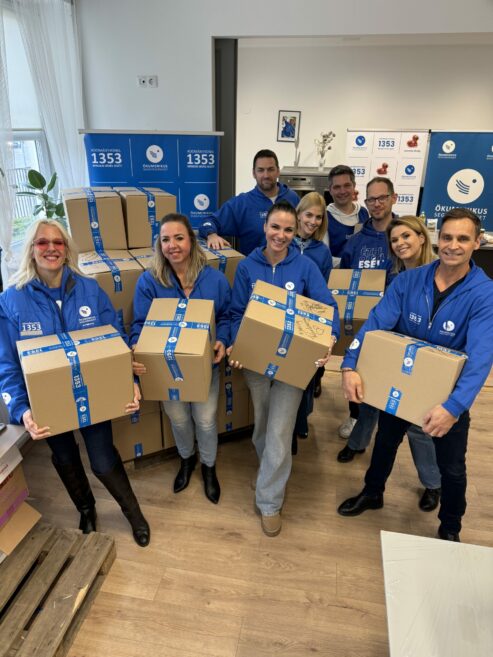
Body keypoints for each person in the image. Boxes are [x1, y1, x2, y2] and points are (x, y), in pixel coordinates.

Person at [337, 209, 493, 542]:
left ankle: (450, 526)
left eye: (462, 238)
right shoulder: (409, 281)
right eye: (447, 237)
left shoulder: (485, 294)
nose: (452, 245)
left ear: (477, 242)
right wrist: (349, 365)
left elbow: (481, 358)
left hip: (446, 396)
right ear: (437, 238)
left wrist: (454, 407)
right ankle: (373, 492)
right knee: (385, 442)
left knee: (452, 468)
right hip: (402, 383)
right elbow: (375, 324)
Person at [0, 219, 150, 547]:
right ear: (31, 250)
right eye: (42, 242)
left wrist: (128, 380)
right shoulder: (12, 300)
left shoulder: (89, 289)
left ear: (67, 249)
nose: (51, 248)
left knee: (103, 460)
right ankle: (86, 508)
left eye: (58, 242)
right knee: (65, 458)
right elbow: (7, 364)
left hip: (93, 393)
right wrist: (22, 409)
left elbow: (115, 341)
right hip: (48, 400)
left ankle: (134, 513)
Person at [228, 201, 340, 537]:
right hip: (256, 362)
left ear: (296, 232)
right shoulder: (247, 266)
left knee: (279, 430)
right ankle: (269, 473)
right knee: (263, 426)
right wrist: (235, 344)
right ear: (265, 227)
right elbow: (236, 312)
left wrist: (330, 337)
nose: (281, 235)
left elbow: (327, 308)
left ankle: (269, 501)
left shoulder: (305, 266)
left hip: (294, 364)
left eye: (288, 230)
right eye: (275, 227)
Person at [337, 216, 442, 512]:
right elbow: (379, 317)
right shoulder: (396, 275)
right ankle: (359, 451)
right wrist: (351, 361)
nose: (400, 243)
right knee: (371, 405)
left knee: (418, 426)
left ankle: (433, 483)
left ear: (422, 237)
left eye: (406, 236)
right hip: (390, 352)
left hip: (425, 364)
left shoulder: (441, 275)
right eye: (395, 240)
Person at [131, 213, 231, 504]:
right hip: (165, 367)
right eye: (165, 239)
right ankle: (187, 459)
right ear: (159, 245)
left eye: (178, 238)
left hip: (205, 365)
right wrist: (136, 345)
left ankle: (208, 466)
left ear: (192, 241)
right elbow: (139, 324)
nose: (172, 245)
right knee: (178, 418)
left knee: (206, 420)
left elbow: (227, 316)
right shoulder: (149, 281)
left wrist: (223, 340)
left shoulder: (214, 279)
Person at [337, 176, 397, 440]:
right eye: (371, 199)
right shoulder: (356, 241)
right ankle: (356, 417)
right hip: (363, 321)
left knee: (387, 373)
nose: (376, 203)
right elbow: (344, 282)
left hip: (396, 321)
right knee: (357, 371)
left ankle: (386, 421)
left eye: (382, 197)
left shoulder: (402, 234)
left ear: (393, 198)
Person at [291, 192, 333, 452]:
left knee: (306, 375)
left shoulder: (322, 252)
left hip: (309, 322)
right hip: (283, 318)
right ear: (298, 214)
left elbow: (323, 291)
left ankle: (300, 421)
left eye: (318, 217)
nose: (313, 221)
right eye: (309, 215)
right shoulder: (284, 243)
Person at [198, 149, 300, 255]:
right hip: (254, 264)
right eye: (260, 170)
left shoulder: (293, 198)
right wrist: (211, 235)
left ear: (278, 171)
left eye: (270, 169)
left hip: (290, 263)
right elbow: (208, 222)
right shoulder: (241, 204)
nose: (266, 175)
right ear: (254, 173)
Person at [326, 164, 369, 265]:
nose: (342, 191)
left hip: (362, 272)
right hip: (334, 274)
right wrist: (352, 262)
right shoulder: (324, 217)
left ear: (354, 186)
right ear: (330, 190)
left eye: (347, 185)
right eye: (337, 187)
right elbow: (324, 258)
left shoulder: (363, 212)